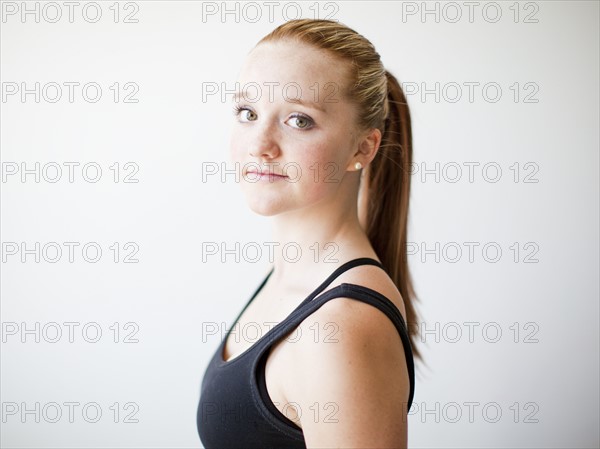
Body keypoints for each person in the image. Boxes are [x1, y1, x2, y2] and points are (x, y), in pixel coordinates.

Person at [197, 18, 422, 448]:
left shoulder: (342, 327)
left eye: (299, 120)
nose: (259, 143)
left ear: (364, 147)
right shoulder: (292, 278)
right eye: (248, 113)